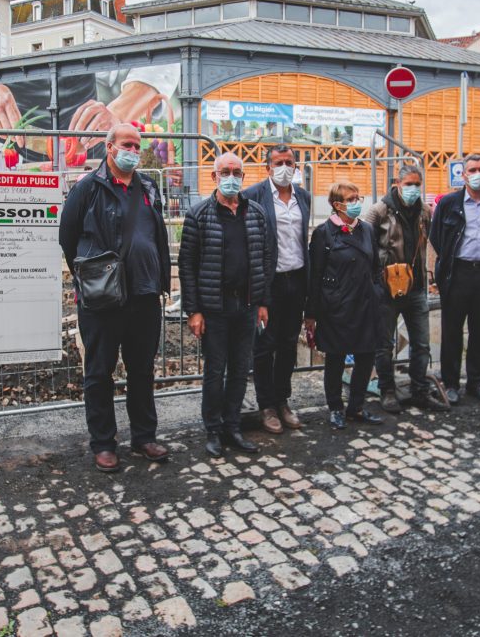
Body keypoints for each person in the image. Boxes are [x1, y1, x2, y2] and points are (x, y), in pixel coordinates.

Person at [59, 123, 172, 472]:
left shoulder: (148, 187)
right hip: (103, 299)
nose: (133, 152)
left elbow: (156, 233)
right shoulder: (88, 188)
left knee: (142, 370)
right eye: (127, 145)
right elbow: (69, 238)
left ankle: (143, 436)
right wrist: (91, 277)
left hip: (144, 294)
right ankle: (104, 443)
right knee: (99, 372)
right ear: (109, 148)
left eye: (137, 146)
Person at [179, 152, 274, 458]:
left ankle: (233, 426)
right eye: (226, 171)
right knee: (215, 370)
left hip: (246, 306)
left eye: (237, 172)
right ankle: (213, 430)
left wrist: (262, 302)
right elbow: (187, 266)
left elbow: (265, 259)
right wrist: (193, 310)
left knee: (240, 369)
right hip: (214, 308)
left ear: (243, 177)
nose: (232, 177)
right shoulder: (198, 215)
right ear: (214, 176)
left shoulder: (255, 213)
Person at [364, 164, 450, 414]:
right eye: (408, 184)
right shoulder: (380, 211)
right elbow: (366, 246)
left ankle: (419, 390)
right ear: (397, 184)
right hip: (387, 289)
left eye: (416, 184)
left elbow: (433, 243)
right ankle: (387, 391)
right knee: (384, 344)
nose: (413, 189)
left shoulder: (424, 211)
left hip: (416, 288)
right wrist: (377, 276)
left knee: (421, 343)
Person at [430, 153, 480, 405]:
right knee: (452, 331)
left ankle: (476, 383)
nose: (478, 174)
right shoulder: (449, 203)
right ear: (463, 175)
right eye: (472, 170)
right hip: (458, 273)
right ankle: (451, 384)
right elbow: (436, 237)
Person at [305, 182, 385, 429]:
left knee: (366, 355)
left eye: (358, 197)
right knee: (335, 357)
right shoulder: (324, 233)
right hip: (336, 306)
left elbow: (375, 268)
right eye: (350, 199)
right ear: (336, 204)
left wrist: (377, 291)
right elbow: (314, 275)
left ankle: (356, 407)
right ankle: (336, 408)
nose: (356, 203)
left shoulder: (368, 229)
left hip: (365, 303)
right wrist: (311, 315)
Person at [243, 145, 311, 434]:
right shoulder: (253, 196)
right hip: (268, 282)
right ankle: (266, 406)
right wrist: (257, 296)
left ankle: (283, 401)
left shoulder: (303, 197)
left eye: (290, 162)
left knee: (287, 344)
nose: (285, 167)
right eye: (278, 162)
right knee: (264, 346)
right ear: (267, 166)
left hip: (295, 280)